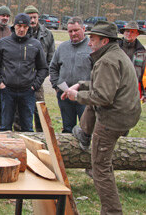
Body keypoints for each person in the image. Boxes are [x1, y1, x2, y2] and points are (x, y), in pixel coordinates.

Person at [63, 21, 141, 215]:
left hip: (112, 121)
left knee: (100, 169)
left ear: (104, 41)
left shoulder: (107, 61)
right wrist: (81, 85)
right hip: (124, 115)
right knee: (103, 165)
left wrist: (76, 96)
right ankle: (84, 133)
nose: (89, 43)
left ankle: (112, 212)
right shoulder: (116, 54)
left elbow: (103, 97)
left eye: (93, 39)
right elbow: (105, 85)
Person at [0, 13, 48, 132]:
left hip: (27, 91)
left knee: (27, 126)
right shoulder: (3, 43)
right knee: (5, 126)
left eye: (25, 27)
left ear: (28, 28)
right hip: (7, 91)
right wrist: (0, 83)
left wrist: (34, 86)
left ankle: (28, 149)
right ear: (14, 26)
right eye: (19, 26)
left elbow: (43, 68)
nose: (21, 29)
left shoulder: (35, 44)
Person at [49, 17, 92, 133]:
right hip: (65, 95)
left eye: (76, 30)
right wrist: (56, 86)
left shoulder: (92, 47)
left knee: (86, 129)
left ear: (83, 29)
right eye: (70, 31)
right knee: (67, 128)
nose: (73, 34)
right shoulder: (62, 48)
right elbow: (53, 68)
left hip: (84, 96)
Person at [24, 5, 55, 131]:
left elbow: (51, 58)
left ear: (38, 17)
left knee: (40, 111)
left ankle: (42, 136)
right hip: (22, 79)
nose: (32, 20)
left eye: (34, 17)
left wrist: (40, 77)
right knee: (21, 112)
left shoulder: (47, 35)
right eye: (29, 17)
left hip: (38, 80)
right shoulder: (21, 32)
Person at [118, 21, 146, 101]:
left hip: (133, 91)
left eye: (132, 32)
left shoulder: (143, 52)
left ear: (137, 34)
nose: (129, 33)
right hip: (115, 88)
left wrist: (145, 93)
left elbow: (145, 75)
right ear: (123, 32)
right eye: (127, 31)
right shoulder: (114, 48)